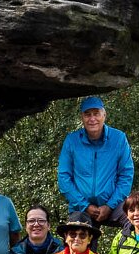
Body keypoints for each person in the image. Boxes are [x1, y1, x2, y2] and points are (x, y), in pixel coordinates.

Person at [57, 96, 134, 228]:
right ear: (82, 117)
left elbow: (126, 175)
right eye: (87, 114)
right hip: (81, 208)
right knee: (77, 235)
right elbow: (63, 177)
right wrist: (85, 205)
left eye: (96, 113)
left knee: (135, 219)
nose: (92, 119)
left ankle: (133, 248)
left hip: (113, 205)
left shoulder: (118, 138)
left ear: (104, 115)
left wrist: (110, 205)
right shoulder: (72, 140)